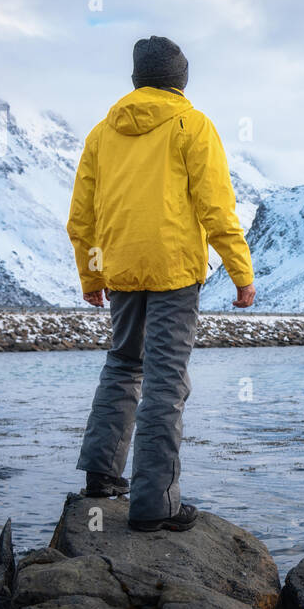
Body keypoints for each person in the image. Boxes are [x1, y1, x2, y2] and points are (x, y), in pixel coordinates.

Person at [66, 35, 255, 532]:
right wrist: (241, 273)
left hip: (122, 268)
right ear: (181, 78)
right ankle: (156, 504)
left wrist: (91, 274)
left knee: (124, 365)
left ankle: (102, 478)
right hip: (174, 270)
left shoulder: (102, 133)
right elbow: (217, 207)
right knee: (166, 379)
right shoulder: (193, 125)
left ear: (136, 78)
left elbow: (80, 217)